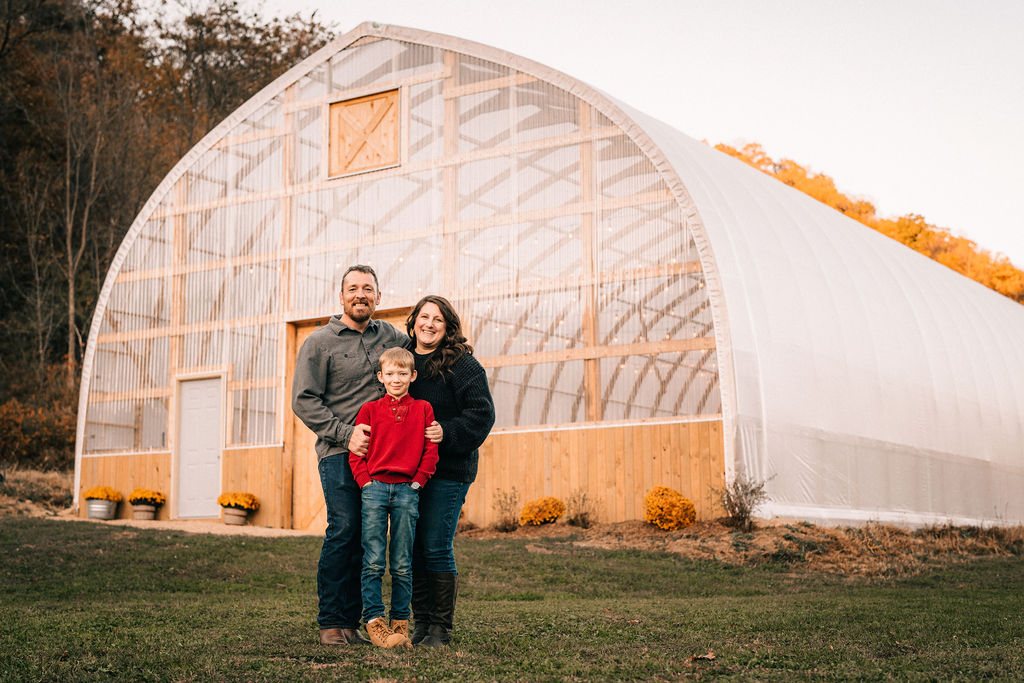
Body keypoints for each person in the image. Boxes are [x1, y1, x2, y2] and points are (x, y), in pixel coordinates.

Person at [291, 265, 409, 646]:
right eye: (353, 289)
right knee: (343, 531)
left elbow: (422, 352)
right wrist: (345, 433)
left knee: (368, 537)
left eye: (368, 289)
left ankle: (353, 624)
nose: (361, 295)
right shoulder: (319, 342)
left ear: (378, 296)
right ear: (340, 296)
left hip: (383, 458)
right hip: (339, 453)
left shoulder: (389, 335)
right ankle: (331, 623)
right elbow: (303, 400)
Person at [406, 295, 496, 647]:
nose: (429, 324)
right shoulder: (402, 359)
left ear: (448, 328)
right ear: (413, 321)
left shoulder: (463, 366)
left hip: (449, 469)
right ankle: (421, 624)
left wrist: (448, 431)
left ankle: (440, 630)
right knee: (412, 546)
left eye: (437, 320)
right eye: (424, 317)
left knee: (435, 544)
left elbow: (481, 414)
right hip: (408, 472)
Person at [350, 347, 439, 648]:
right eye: (390, 374)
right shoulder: (370, 410)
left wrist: (417, 483)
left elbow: (430, 452)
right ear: (381, 377)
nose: (396, 379)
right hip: (374, 489)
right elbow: (357, 452)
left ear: (413, 376)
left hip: (406, 491)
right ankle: (375, 622)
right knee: (373, 559)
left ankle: (400, 623)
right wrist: (364, 483)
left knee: (402, 562)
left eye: (403, 373)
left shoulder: (423, 409)